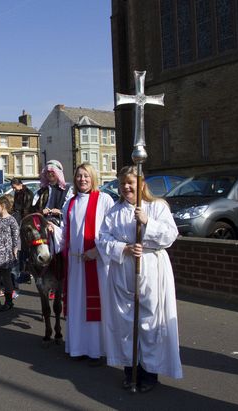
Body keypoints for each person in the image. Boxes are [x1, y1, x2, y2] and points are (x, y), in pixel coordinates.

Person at [97, 165, 183, 392]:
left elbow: (170, 235)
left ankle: (149, 374)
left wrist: (147, 222)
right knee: (126, 323)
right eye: (123, 183)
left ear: (141, 184)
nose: (126, 187)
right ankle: (130, 370)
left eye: (130, 183)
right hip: (124, 271)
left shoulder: (157, 207)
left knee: (149, 323)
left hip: (151, 270)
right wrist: (122, 248)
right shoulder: (114, 212)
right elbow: (102, 240)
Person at [61, 163, 114, 365]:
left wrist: (97, 251)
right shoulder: (70, 203)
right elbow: (65, 233)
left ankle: (96, 350)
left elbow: (112, 230)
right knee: (77, 305)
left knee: (95, 306)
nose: (82, 179)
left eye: (86, 176)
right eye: (79, 176)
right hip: (76, 263)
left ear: (93, 178)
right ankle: (77, 347)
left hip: (96, 262)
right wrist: (51, 231)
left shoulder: (104, 200)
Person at [32, 160, 71, 225]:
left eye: (52, 172)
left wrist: (60, 212)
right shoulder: (42, 190)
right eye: (48, 172)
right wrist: (42, 212)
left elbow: (71, 209)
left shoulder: (67, 190)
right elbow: (33, 208)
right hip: (44, 224)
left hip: (60, 225)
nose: (50, 174)